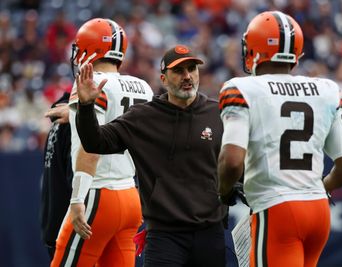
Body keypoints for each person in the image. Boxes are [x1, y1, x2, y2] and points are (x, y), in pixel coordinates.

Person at [217, 11, 342, 267]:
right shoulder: (324, 90)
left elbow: (233, 161)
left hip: (278, 209)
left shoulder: (243, 89)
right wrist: (319, 188)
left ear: (254, 49)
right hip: (318, 210)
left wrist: (223, 191)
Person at [73, 44, 227, 267]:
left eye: (192, 69)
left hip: (209, 233)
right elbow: (95, 142)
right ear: (163, 79)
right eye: (179, 71)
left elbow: (240, 158)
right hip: (165, 235)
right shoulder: (143, 117)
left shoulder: (218, 112)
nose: (187, 76)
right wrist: (86, 108)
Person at [51, 18, 153, 267]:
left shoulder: (90, 84)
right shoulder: (143, 87)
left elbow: (90, 145)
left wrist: (77, 200)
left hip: (97, 194)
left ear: (89, 48)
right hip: (130, 195)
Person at [40, 92, 73, 260]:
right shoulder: (74, 123)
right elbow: (75, 180)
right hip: (72, 227)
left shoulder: (60, 118)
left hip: (54, 222)